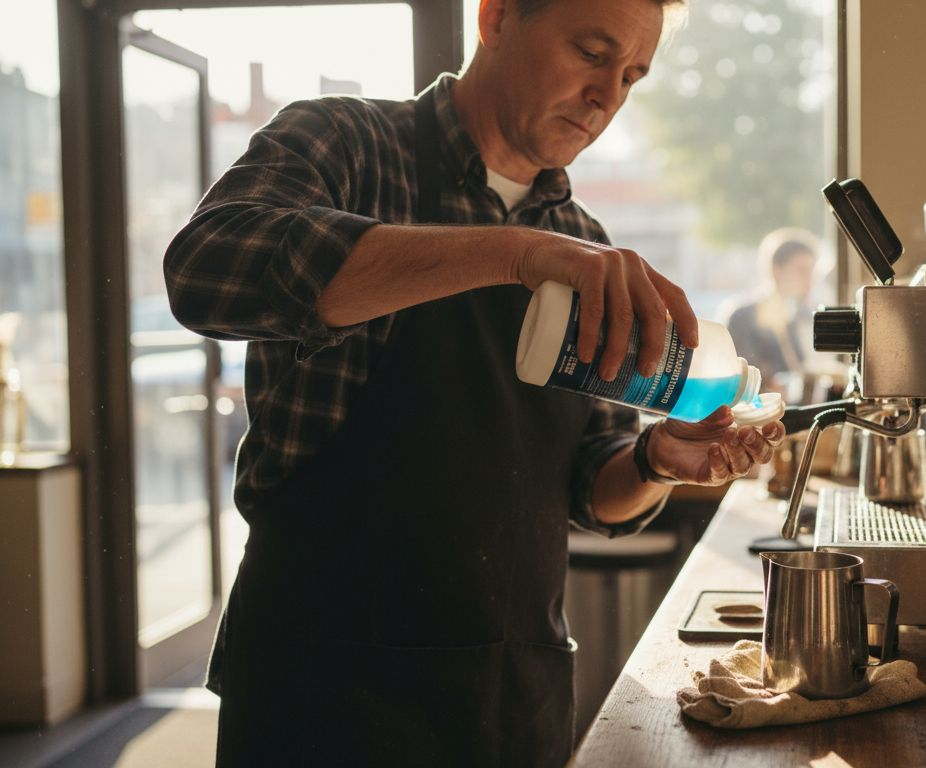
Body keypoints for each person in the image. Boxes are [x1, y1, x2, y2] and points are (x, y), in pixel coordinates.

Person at [163, 0, 785, 765]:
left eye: (631, 75)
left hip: (510, 699)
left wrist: (659, 459)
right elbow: (203, 270)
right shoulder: (347, 144)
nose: (607, 97)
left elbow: (593, 487)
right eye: (591, 52)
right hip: (325, 692)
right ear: (496, 18)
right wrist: (515, 254)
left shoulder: (584, 240)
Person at [724, 228, 820, 391]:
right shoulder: (743, 318)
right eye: (801, 271)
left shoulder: (798, 317)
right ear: (777, 270)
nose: (809, 280)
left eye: (811, 272)